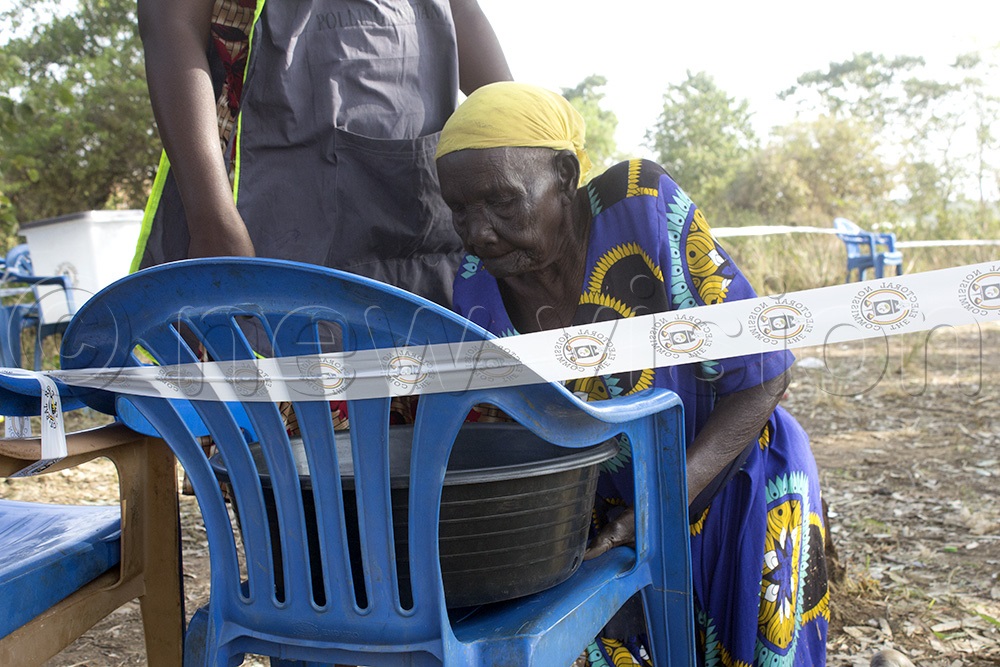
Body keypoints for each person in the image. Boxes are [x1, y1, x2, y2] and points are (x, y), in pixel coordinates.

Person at [434, 82, 829, 667]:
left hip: (733, 479)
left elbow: (765, 374)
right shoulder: (474, 290)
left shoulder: (641, 208)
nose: (478, 232)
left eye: (502, 202)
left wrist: (660, 505)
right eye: (460, 209)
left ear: (565, 176)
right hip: (597, 529)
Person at [134, 0, 512, 306]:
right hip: (273, 210)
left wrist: (526, 139)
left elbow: (461, 10)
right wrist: (211, 219)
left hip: (424, 212)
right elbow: (172, 21)